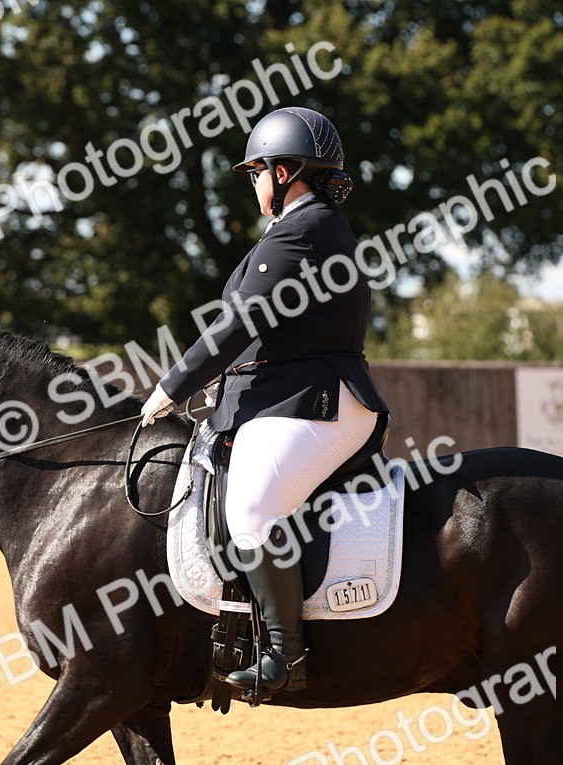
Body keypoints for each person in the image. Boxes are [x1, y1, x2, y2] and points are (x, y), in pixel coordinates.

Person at [140, 106, 390, 697]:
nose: (252, 183)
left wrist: (171, 386)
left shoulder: (305, 230)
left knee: (253, 509)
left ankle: (285, 654)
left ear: (285, 173)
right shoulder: (307, 229)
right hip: (293, 398)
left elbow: (236, 323)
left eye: (256, 172)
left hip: (320, 403)